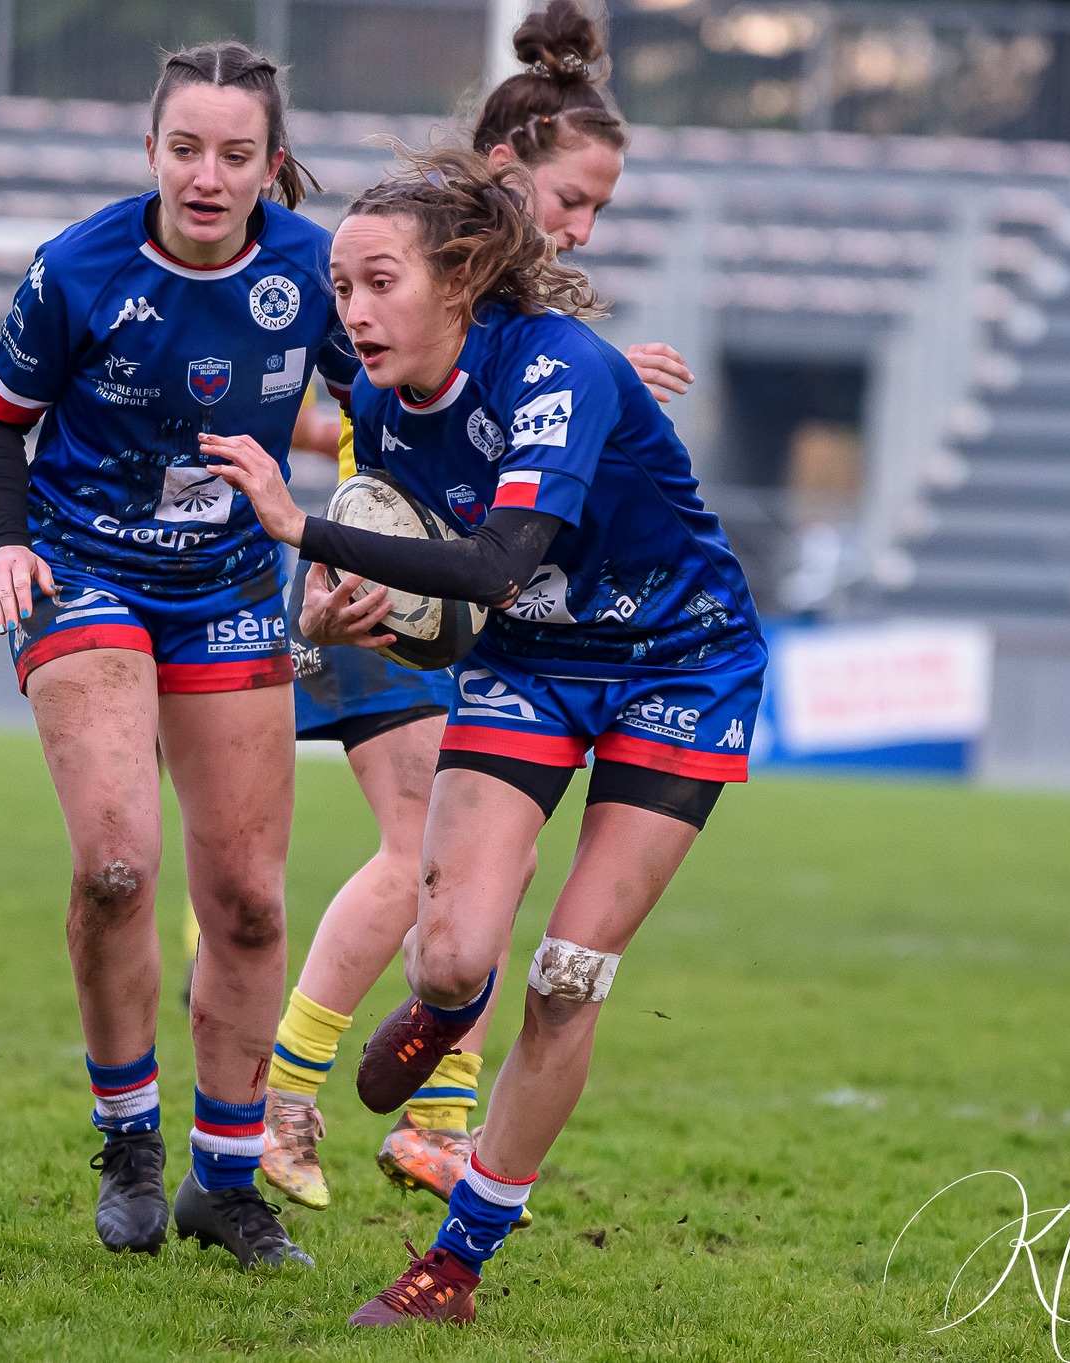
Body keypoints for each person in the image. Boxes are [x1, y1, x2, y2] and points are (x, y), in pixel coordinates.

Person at [203, 143, 764, 1326]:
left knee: (563, 979)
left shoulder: (559, 368)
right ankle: (447, 1011)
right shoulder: (375, 404)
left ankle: (452, 1265)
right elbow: (443, 606)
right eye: (340, 287)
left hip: (681, 663)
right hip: (533, 663)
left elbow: (498, 561)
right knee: (450, 957)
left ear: (457, 282)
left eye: (379, 283)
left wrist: (300, 532)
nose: (352, 312)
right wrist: (344, 617)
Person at [261, 0, 696, 1216]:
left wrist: (602, 395)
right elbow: (336, 410)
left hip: (450, 588)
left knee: (478, 876)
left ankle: (437, 1122)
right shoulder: (405, 269)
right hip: (387, 573)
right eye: (570, 199)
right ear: (503, 171)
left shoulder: (516, 331)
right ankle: (279, 1098)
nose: (581, 227)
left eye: (598, 209)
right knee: (420, 854)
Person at [0, 40, 355, 1269]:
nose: (205, 175)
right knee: (117, 867)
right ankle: (129, 1141)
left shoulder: (315, 267)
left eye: (234, 154)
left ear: (270, 166)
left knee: (247, 900)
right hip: (81, 570)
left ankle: (223, 1183)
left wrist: (351, 544)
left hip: (228, 585)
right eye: (184, 149)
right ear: (150, 152)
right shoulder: (76, 268)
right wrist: (4, 543)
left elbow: (389, 408)